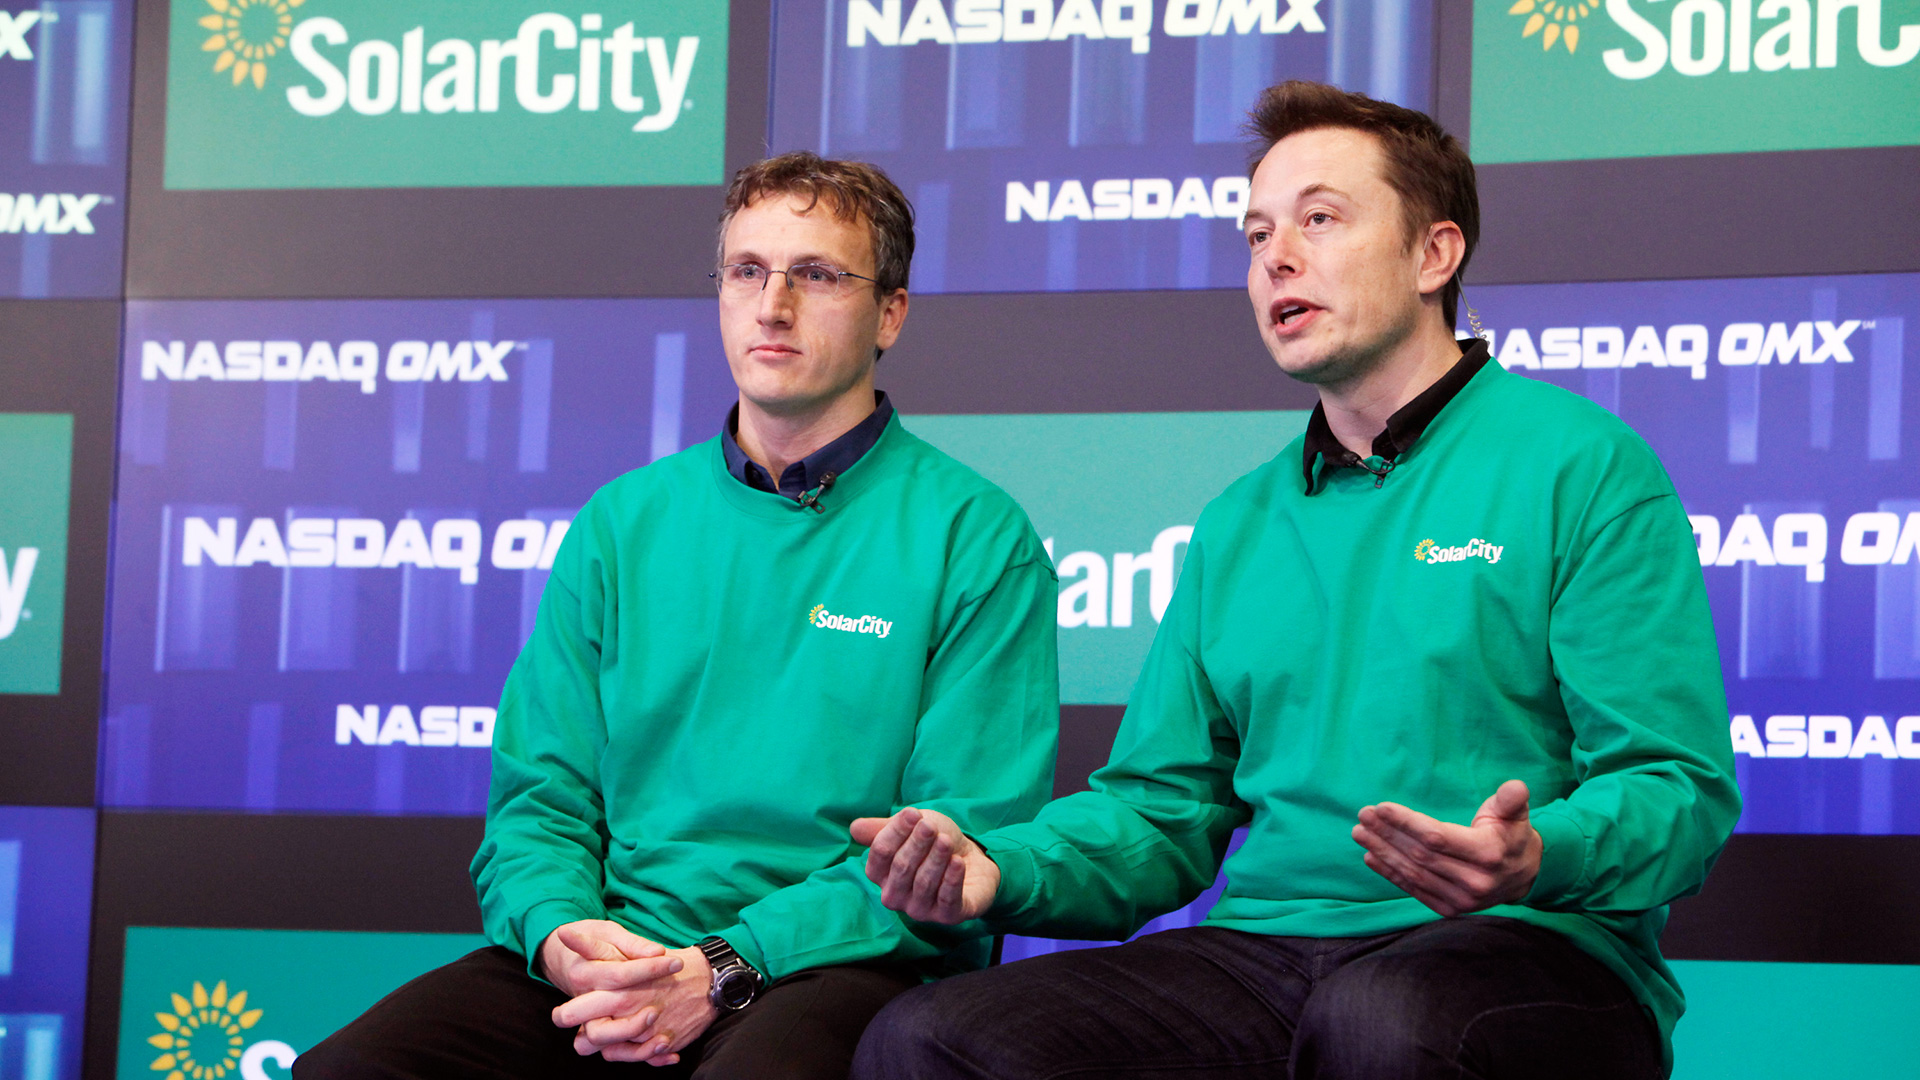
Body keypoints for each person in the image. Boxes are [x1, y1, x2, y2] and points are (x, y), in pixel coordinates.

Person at [848, 82, 1739, 1080]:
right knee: (929, 1039)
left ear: (1434, 255)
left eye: (1320, 219)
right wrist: (999, 868)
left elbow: (1677, 788)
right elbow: (1161, 813)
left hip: (1535, 945)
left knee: (1377, 1019)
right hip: (1268, 953)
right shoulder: (1240, 521)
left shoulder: (1581, 465)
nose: (1275, 256)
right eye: (1258, 233)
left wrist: (1540, 855)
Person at [295, 152, 1059, 1080]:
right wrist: (563, 936)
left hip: (839, 964)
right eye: (747, 271)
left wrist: (727, 964)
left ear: (890, 313)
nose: (773, 305)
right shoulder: (624, 523)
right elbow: (541, 798)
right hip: (622, 949)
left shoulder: (974, 536)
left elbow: (952, 849)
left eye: (817, 275)